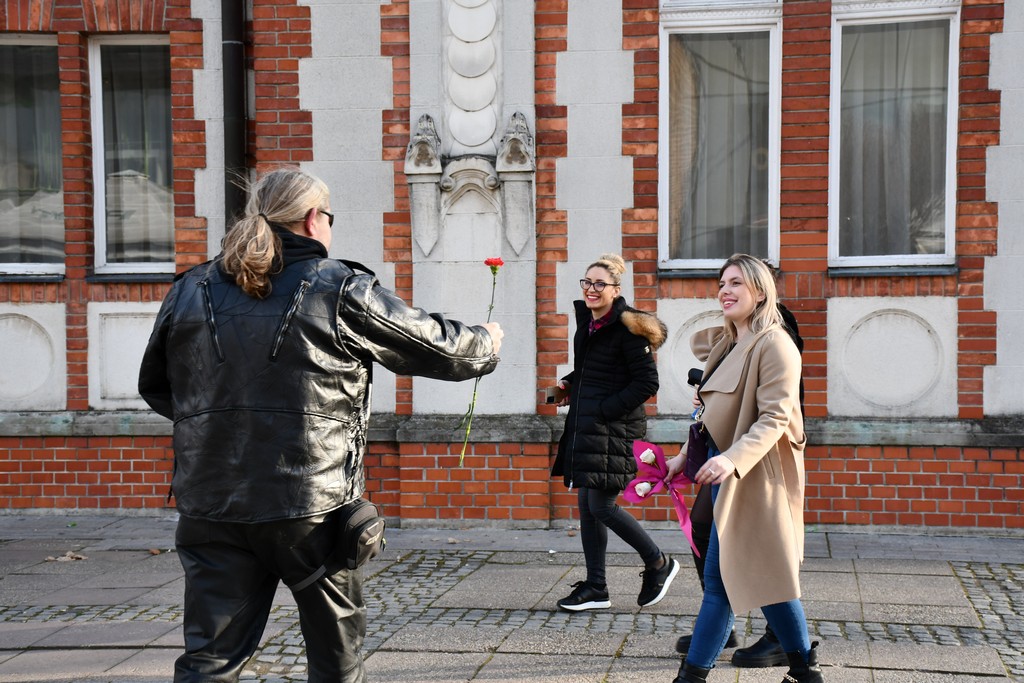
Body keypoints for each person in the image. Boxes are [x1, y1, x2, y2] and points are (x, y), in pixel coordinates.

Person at [138, 167, 503, 683]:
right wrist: (486, 340)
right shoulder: (338, 288)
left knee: (209, 662)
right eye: (328, 217)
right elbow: (435, 346)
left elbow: (158, 385)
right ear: (314, 220)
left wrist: (222, 428)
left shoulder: (190, 288)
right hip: (314, 508)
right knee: (336, 660)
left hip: (212, 503)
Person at [665, 254, 822, 683]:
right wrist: (685, 455)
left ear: (760, 291)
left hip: (758, 478)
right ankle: (806, 674)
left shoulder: (776, 345)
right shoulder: (726, 344)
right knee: (770, 580)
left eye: (736, 282)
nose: (725, 290)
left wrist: (730, 459)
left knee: (722, 583)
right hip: (728, 476)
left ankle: (690, 677)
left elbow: (773, 419)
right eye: (721, 283)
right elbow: (709, 412)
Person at [550, 253, 679, 611]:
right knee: (587, 505)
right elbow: (597, 373)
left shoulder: (627, 329)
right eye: (587, 282)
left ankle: (658, 562)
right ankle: (596, 587)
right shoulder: (589, 326)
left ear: (616, 290)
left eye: (600, 284)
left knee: (602, 505)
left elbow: (646, 383)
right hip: (591, 428)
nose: (591, 289)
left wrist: (604, 410)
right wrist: (569, 385)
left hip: (614, 430)